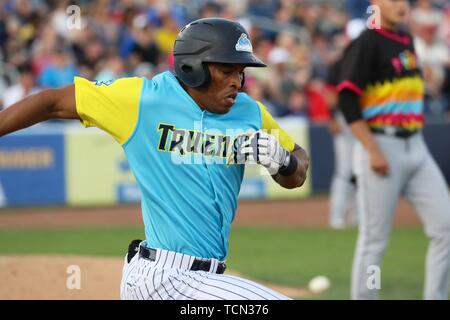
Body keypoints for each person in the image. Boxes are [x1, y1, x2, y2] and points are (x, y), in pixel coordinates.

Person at [0, 18, 309, 300]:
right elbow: (52, 102)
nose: (237, 82)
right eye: (227, 71)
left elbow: (298, 168)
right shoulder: (143, 100)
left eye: (241, 73)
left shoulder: (250, 112)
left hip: (204, 280)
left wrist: (283, 161)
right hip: (164, 277)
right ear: (194, 68)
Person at [336, 0, 450, 299]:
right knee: (375, 241)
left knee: (446, 228)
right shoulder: (366, 42)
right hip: (381, 144)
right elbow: (347, 100)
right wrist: (372, 149)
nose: (401, 4)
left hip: (416, 145)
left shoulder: (406, 38)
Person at [326, 58, 357, 229]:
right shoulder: (340, 63)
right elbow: (330, 92)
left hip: (364, 118)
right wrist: (332, 117)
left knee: (360, 170)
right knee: (345, 170)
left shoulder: (368, 60)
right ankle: (337, 216)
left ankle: (356, 216)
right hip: (344, 118)